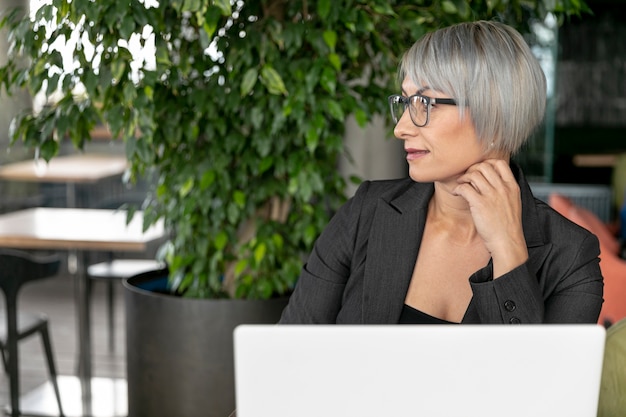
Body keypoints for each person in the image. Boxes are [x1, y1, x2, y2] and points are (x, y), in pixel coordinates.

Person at [279, 20, 603, 324]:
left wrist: (508, 251)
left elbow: (537, 380)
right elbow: (288, 354)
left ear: (494, 115)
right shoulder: (367, 212)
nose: (401, 128)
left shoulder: (572, 257)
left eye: (426, 103)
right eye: (406, 103)